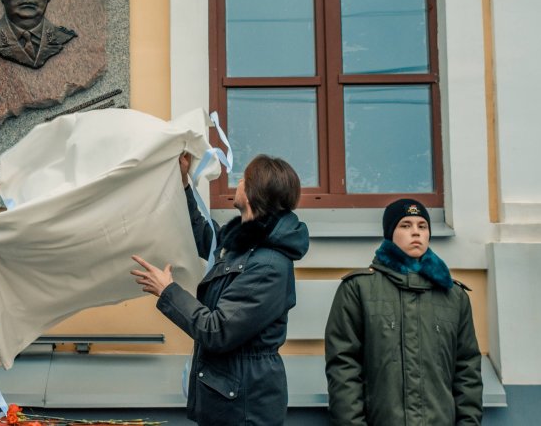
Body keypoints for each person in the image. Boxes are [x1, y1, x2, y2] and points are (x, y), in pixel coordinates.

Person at [132, 153, 309, 426]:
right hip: (228, 399)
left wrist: (168, 291)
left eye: (243, 179)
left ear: (253, 193)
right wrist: (183, 182)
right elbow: (203, 235)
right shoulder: (244, 245)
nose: (238, 183)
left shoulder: (269, 265)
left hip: (244, 410)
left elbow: (217, 331)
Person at [324, 198, 483, 426]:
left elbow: (467, 369)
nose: (416, 232)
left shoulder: (453, 296)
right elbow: (343, 366)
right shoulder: (358, 289)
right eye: (405, 225)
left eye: (422, 226)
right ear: (390, 233)